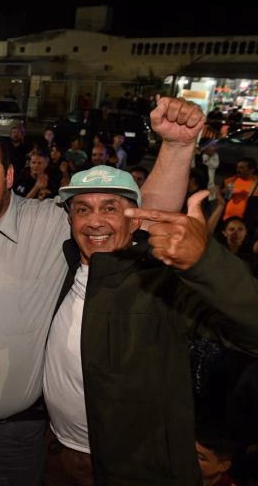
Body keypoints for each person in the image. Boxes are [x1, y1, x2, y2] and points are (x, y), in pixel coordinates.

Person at [0, 98, 205, 485]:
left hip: (12, 441)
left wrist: (177, 148)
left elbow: (131, 221)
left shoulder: (48, 226)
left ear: (10, 176)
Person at [43, 165, 258, 485]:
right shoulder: (60, 267)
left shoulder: (161, 283)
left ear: (137, 221)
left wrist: (205, 262)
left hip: (130, 470)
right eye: (83, 209)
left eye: (111, 207)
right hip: (57, 454)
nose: (95, 220)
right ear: (70, 219)